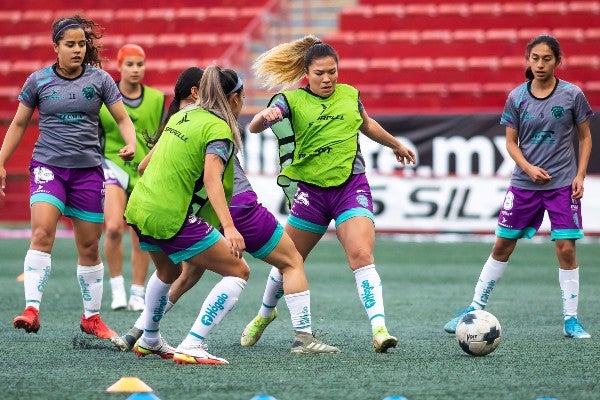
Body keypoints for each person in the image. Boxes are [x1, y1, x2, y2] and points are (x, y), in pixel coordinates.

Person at [114, 66, 338, 362]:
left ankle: (144, 334)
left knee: (175, 271)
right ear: (233, 98)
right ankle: (298, 337)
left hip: (142, 209)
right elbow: (212, 180)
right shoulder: (219, 128)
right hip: (222, 207)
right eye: (242, 95)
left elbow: (143, 168)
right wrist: (230, 227)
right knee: (274, 263)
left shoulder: (180, 116)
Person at [245, 35, 416, 353]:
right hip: (311, 193)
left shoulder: (350, 95)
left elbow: (366, 124)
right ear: (305, 75)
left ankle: (379, 329)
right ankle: (264, 314)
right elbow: (255, 127)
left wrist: (395, 144)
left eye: (332, 72)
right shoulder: (290, 101)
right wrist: (262, 118)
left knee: (361, 255)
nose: (327, 79)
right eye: (320, 73)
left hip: (351, 188)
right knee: (288, 260)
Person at [443, 35, 593, 339]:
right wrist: (528, 168)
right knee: (502, 245)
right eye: (535, 58)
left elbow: (585, 137)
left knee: (566, 249)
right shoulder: (517, 97)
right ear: (528, 60)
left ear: (557, 61)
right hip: (524, 185)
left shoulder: (572, 95)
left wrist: (580, 175)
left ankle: (571, 319)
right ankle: (474, 307)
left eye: (546, 58)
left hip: (562, 184)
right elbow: (510, 142)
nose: (540, 64)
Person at [0, 15, 136, 338]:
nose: (77, 50)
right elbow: (19, 124)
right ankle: (32, 309)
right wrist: (1, 161)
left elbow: (122, 118)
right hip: (49, 167)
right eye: (70, 44)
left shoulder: (100, 80)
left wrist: (130, 141)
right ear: (56, 47)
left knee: (90, 246)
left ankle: (91, 317)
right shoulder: (38, 81)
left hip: (88, 172)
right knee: (42, 233)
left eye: (81, 44)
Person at [99, 44, 165, 312]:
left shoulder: (158, 99)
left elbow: (160, 139)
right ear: (119, 66)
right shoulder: (104, 100)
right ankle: (117, 288)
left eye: (140, 64)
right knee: (114, 227)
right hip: (112, 166)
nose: (135, 69)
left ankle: (137, 292)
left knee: (140, 234)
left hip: (144, 172)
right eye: (130, 64)